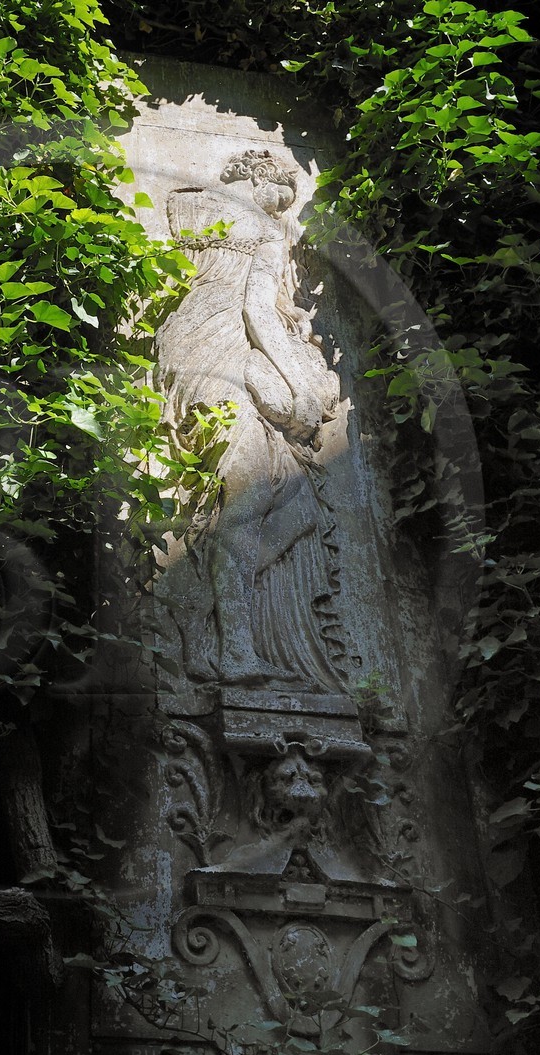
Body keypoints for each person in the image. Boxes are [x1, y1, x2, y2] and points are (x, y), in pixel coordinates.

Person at [155, 150, 346, 689]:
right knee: (250, 496)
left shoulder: (184, 206)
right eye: (280, 199)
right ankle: (236, 649)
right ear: (261, 178)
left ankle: (192, 602)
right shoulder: (263, 228)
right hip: (224, 353)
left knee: (298, 505)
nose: (280, 211)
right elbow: (256, 311)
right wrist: (301, 385)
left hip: (184, 348)